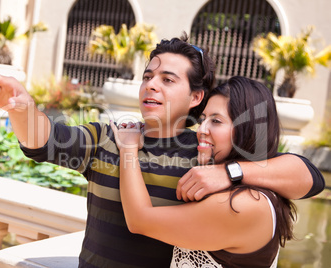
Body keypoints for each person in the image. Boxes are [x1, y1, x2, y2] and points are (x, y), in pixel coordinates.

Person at [0, 34, 324, 267]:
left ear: (195, 97)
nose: (151, 84)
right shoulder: (108, 136)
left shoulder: (207, 151)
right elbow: (46, 140)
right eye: (148, 76)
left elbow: (307, 176)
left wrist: (227, 172)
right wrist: (21, 109)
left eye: (168, 79)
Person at [111, 76, 297, 267]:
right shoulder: (249, 184)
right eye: (203, 119)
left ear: (247, 130)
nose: (202, 129)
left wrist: (128, 149)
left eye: (216, 121)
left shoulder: (242, 205)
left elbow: (139, 220)